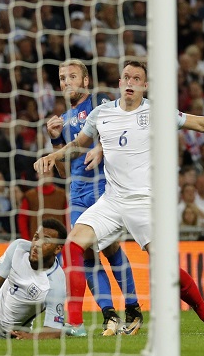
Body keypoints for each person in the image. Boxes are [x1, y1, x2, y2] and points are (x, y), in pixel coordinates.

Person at [34, 61, 204, 337]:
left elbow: (200, 124)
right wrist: (53, 154)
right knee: (73, 245)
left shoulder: (156, 112)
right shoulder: (102, 113)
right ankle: (74, 324)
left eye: (136, 78)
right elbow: (78, 144)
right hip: (111, 201)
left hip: (143, 203)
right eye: (126, 77)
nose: (130, 82)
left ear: (144, 86)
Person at [45, 59, 141, 336]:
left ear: (85, 81)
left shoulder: (100, 104)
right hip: (76, 194)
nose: (66, 82)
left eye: (72, 76)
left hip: (103, 189)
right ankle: (109, 314)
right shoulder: (63, 120)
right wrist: (54, 140)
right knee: (87, 254)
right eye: (62, 78)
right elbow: (64, 170)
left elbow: (120, 130)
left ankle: (132, 308)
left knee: (108, 250)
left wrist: (99, 146)